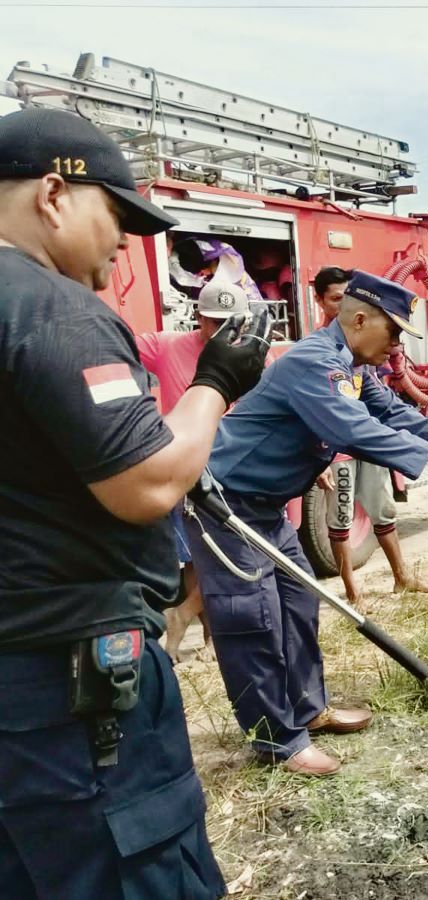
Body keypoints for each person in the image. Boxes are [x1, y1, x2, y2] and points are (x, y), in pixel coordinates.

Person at [0, 107, 267, 897]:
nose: (125, 242)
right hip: (69, 691)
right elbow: (147, 482)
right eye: (116, 215)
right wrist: (217, 384)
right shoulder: (49, 308)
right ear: (54, 194)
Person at [184, 270, 428, 776]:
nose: (397, 345)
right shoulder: (314, 361)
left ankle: (308, 710)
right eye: (394, 332)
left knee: (299, 603)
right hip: (224, 503)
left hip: (265, 506)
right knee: (253, 619)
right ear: (360, 319)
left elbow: (387, 409)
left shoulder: (352, 366)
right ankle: (277, 741)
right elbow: (351, 427)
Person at [137, 279, 252, 661]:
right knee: (195, 557)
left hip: (234, 468)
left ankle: (184, 616)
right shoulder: (167, 346)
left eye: (229, 321)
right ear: (199, 317)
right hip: (186, 468)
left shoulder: (251, 354)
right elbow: (112, 349)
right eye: (213, 320)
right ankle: (210, 636)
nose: (220, 330)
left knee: (232, 552)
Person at [313, 266, 428, 605]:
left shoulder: (361, 347)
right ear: (319, 301)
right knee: (341, 516)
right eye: (336, 299)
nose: (342, 305)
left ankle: (402, 576)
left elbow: (381, 398)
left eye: (347, 298)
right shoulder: (319, 351)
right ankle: (352, 591)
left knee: (383, 507)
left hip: (369, 441)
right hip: (338, 448)